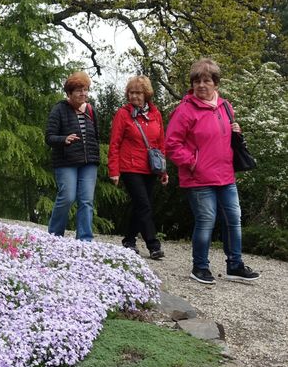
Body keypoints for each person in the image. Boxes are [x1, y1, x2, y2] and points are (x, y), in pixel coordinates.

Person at [166, 58, 260, 284]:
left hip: (225, 175)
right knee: (206, 220)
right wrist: (193, 163)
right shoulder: (185, 110)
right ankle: (199, 267)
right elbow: (171, 145)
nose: (201, 85)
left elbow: (225, 137)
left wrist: (236, 130)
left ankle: (235, 265)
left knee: (234, 219)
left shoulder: (226, 106)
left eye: (206, 80)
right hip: (198, 178)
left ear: (215, 83)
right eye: (197, 81)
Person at [108, 75, 168, 259]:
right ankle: (153, 245)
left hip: (150, 168)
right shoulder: (123, 114)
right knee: (143, 205)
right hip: (130, 167)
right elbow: (114, 143)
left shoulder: (155, 114)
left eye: (138, 93)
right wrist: (114, 170)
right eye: (131, 92)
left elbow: (160, 142)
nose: (134, 96)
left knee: (140, 206)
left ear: (146, 94)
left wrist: (163, 170)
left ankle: (129, 240)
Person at [44, 71, 100, 241]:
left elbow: (96, 136)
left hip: (89, 163)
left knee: (86, 201)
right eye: (79, 90)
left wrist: (94, 156)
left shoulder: (91, 110)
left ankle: (85, 240)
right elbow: (49, 137)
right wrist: (64, 139)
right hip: (66, 162)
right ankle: (55, 237)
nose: (83, 93)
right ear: (69, 93)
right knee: (67, 197)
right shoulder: (59, 109)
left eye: (86, 89)